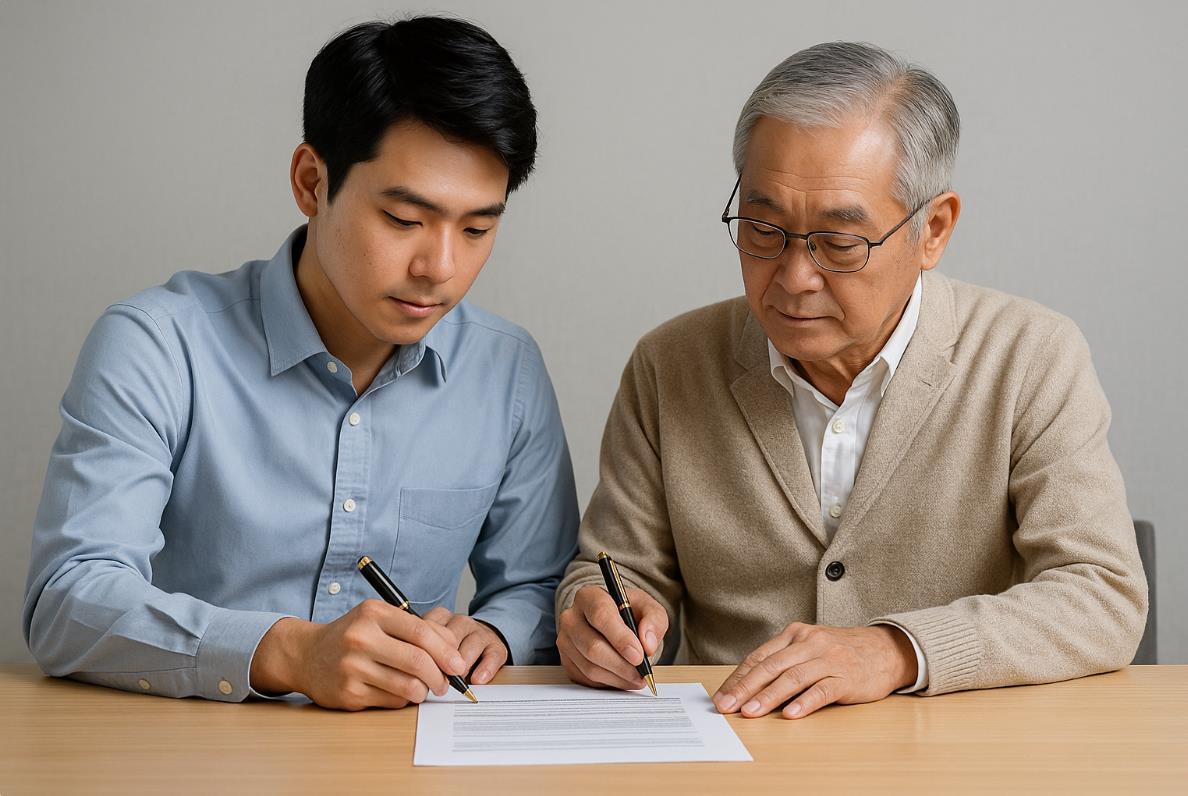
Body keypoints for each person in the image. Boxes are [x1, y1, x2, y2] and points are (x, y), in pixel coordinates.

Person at [555, 42, 1147, 719]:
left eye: (839, 243)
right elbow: (613, 572)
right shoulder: (670, 364)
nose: (793, 277)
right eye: (762, 227)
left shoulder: (1032, 357)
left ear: (934, 229)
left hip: (956, 756)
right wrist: (597, 616)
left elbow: (1102, 594)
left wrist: (894, 650)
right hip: (735, 751)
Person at [23, 16, 578, 710]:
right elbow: (67, 599)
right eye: (404, 220)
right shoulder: (158, 344)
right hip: (189, 756)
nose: (441, 268)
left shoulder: (507, 370)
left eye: (477, 229)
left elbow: (538, 587)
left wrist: (496, 634)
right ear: (312, 182)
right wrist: (287, 652)